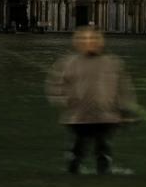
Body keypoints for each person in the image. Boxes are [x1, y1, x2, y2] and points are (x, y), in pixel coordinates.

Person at [46, 26, 137, 175]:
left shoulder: (113, 63)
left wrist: (125, 110)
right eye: (85, 39)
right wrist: (67, 102)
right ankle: (73, 170)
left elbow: (123, 88)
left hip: (106, 116)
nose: (89, 42)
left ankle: (103, 172)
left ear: (101, 41)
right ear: (77, 42)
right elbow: (56, 86)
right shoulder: (68, 63)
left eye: (94, 38)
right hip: (78, 117)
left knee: (103, 147)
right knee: (78, 147)